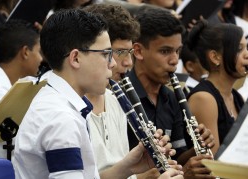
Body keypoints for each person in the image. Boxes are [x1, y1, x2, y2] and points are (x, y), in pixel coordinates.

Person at [13, 9, 184, 179]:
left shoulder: (64, 103)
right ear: (75, 58)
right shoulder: (60, 119)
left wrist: (127, 167)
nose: (113, 63)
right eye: (106, 54)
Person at [84, 4, 180, 179]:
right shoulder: (67, 106)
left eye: (129, 53)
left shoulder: (117, 100)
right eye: (120, 52)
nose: (128, 63)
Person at [127, 7, 216, 178]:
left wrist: (196, 152)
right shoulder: (118, 99)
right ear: (138, 51)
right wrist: (185, 173)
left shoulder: (173, 97)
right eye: (165, 51)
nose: (175, 60)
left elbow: (177, 157)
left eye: (178, 51)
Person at [0, 19, 42, 159]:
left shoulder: (31, 84)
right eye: (39, 52)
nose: (41, 59)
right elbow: (28, 135)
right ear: (25, 52)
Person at [187, 19, 247, 155]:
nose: (247, 55)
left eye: (247, 48)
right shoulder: (204, 99)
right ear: (215, 57)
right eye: (239, 49)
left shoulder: (236, 96)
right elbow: (213, 163)